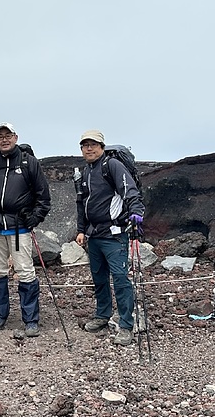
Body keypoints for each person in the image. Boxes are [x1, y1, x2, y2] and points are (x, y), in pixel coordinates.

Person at [0, 122, 51, 337]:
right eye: (0, 136)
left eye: (8, 135)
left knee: (25, 273)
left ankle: (31, 320)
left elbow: (43, 196)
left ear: (15, 137)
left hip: (19, 228)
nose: (4, 139)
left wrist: (33, 219)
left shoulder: (29, 163)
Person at [75, 129, 145, 346]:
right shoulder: (85, 172)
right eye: (85, 145)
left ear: (102, 147)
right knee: (99, 277)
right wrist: (81, 229)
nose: (89, 148)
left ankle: (126, 325)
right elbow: (82, 203)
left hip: (114, 234)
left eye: (93, 144)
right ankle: (102, 315)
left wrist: (136, 212)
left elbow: (128, 189)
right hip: (94, 234)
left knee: (120, 279)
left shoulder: (112, 166)